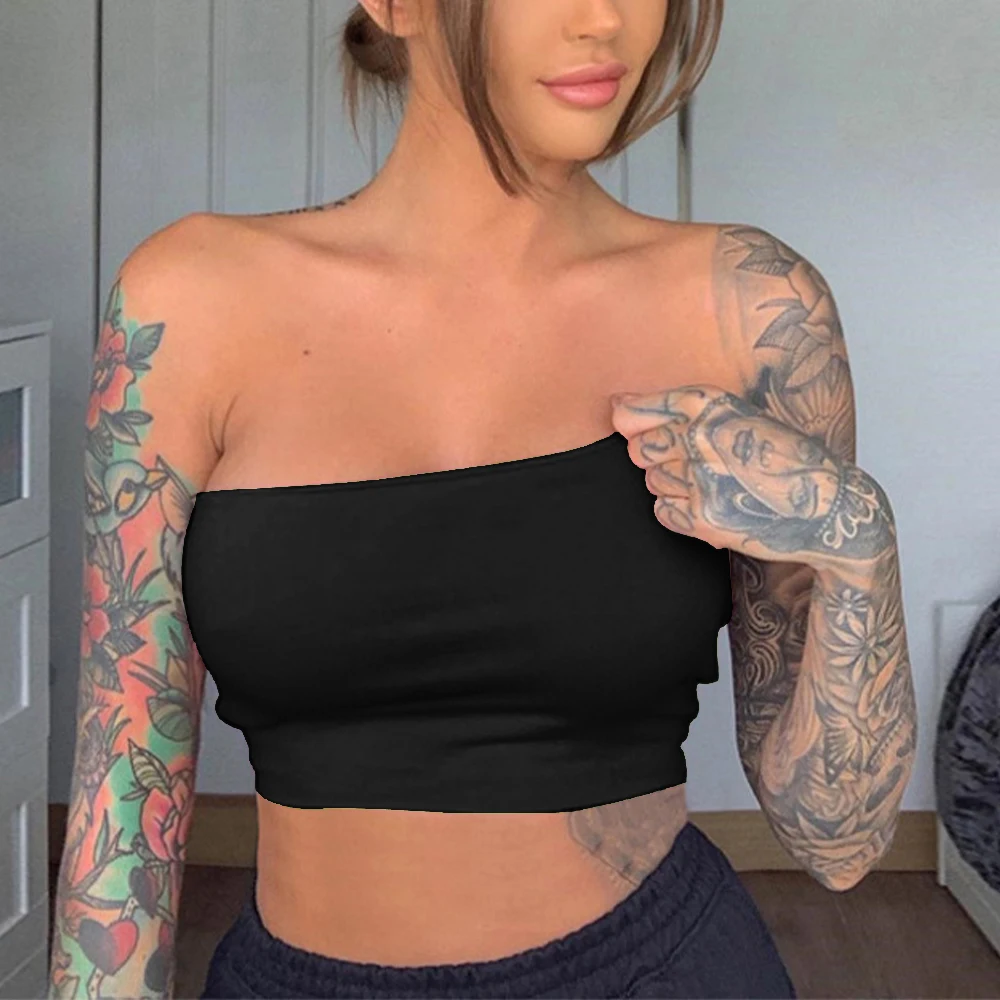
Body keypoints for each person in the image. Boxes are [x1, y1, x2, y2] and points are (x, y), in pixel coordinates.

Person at [49, 0, 917, 997]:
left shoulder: (751, 311)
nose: (605, 19)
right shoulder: (189, 303)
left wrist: (856, 540)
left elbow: (836, 837)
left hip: (663, 968)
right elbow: (122, 783)